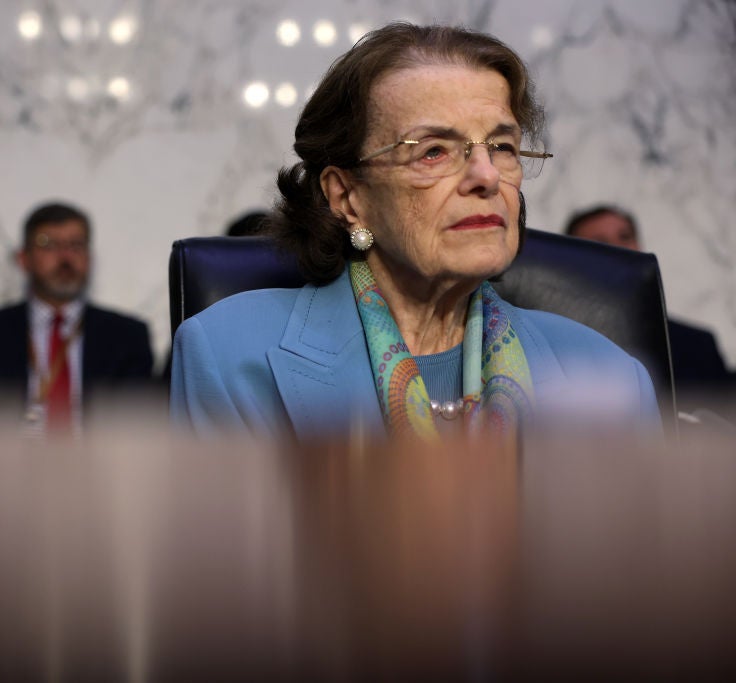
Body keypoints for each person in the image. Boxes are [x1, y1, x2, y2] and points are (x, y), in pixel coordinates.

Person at [170, 23, 660, 440]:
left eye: (502, 146)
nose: (486, 176)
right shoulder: (230, 355)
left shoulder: (614, 380)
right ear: (347, 196)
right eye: (433, 152)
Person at [0, 202, 154, 432]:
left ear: (89, 257)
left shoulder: (127, 336)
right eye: (48, 245)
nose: (65, 257)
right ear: (23, 259)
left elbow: (138, 430)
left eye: (76, 245)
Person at [565, 204, 733, 406]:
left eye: (625, 237)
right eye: (600, 241)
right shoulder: (552, 344)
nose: (619, 248)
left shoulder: (697, 346)